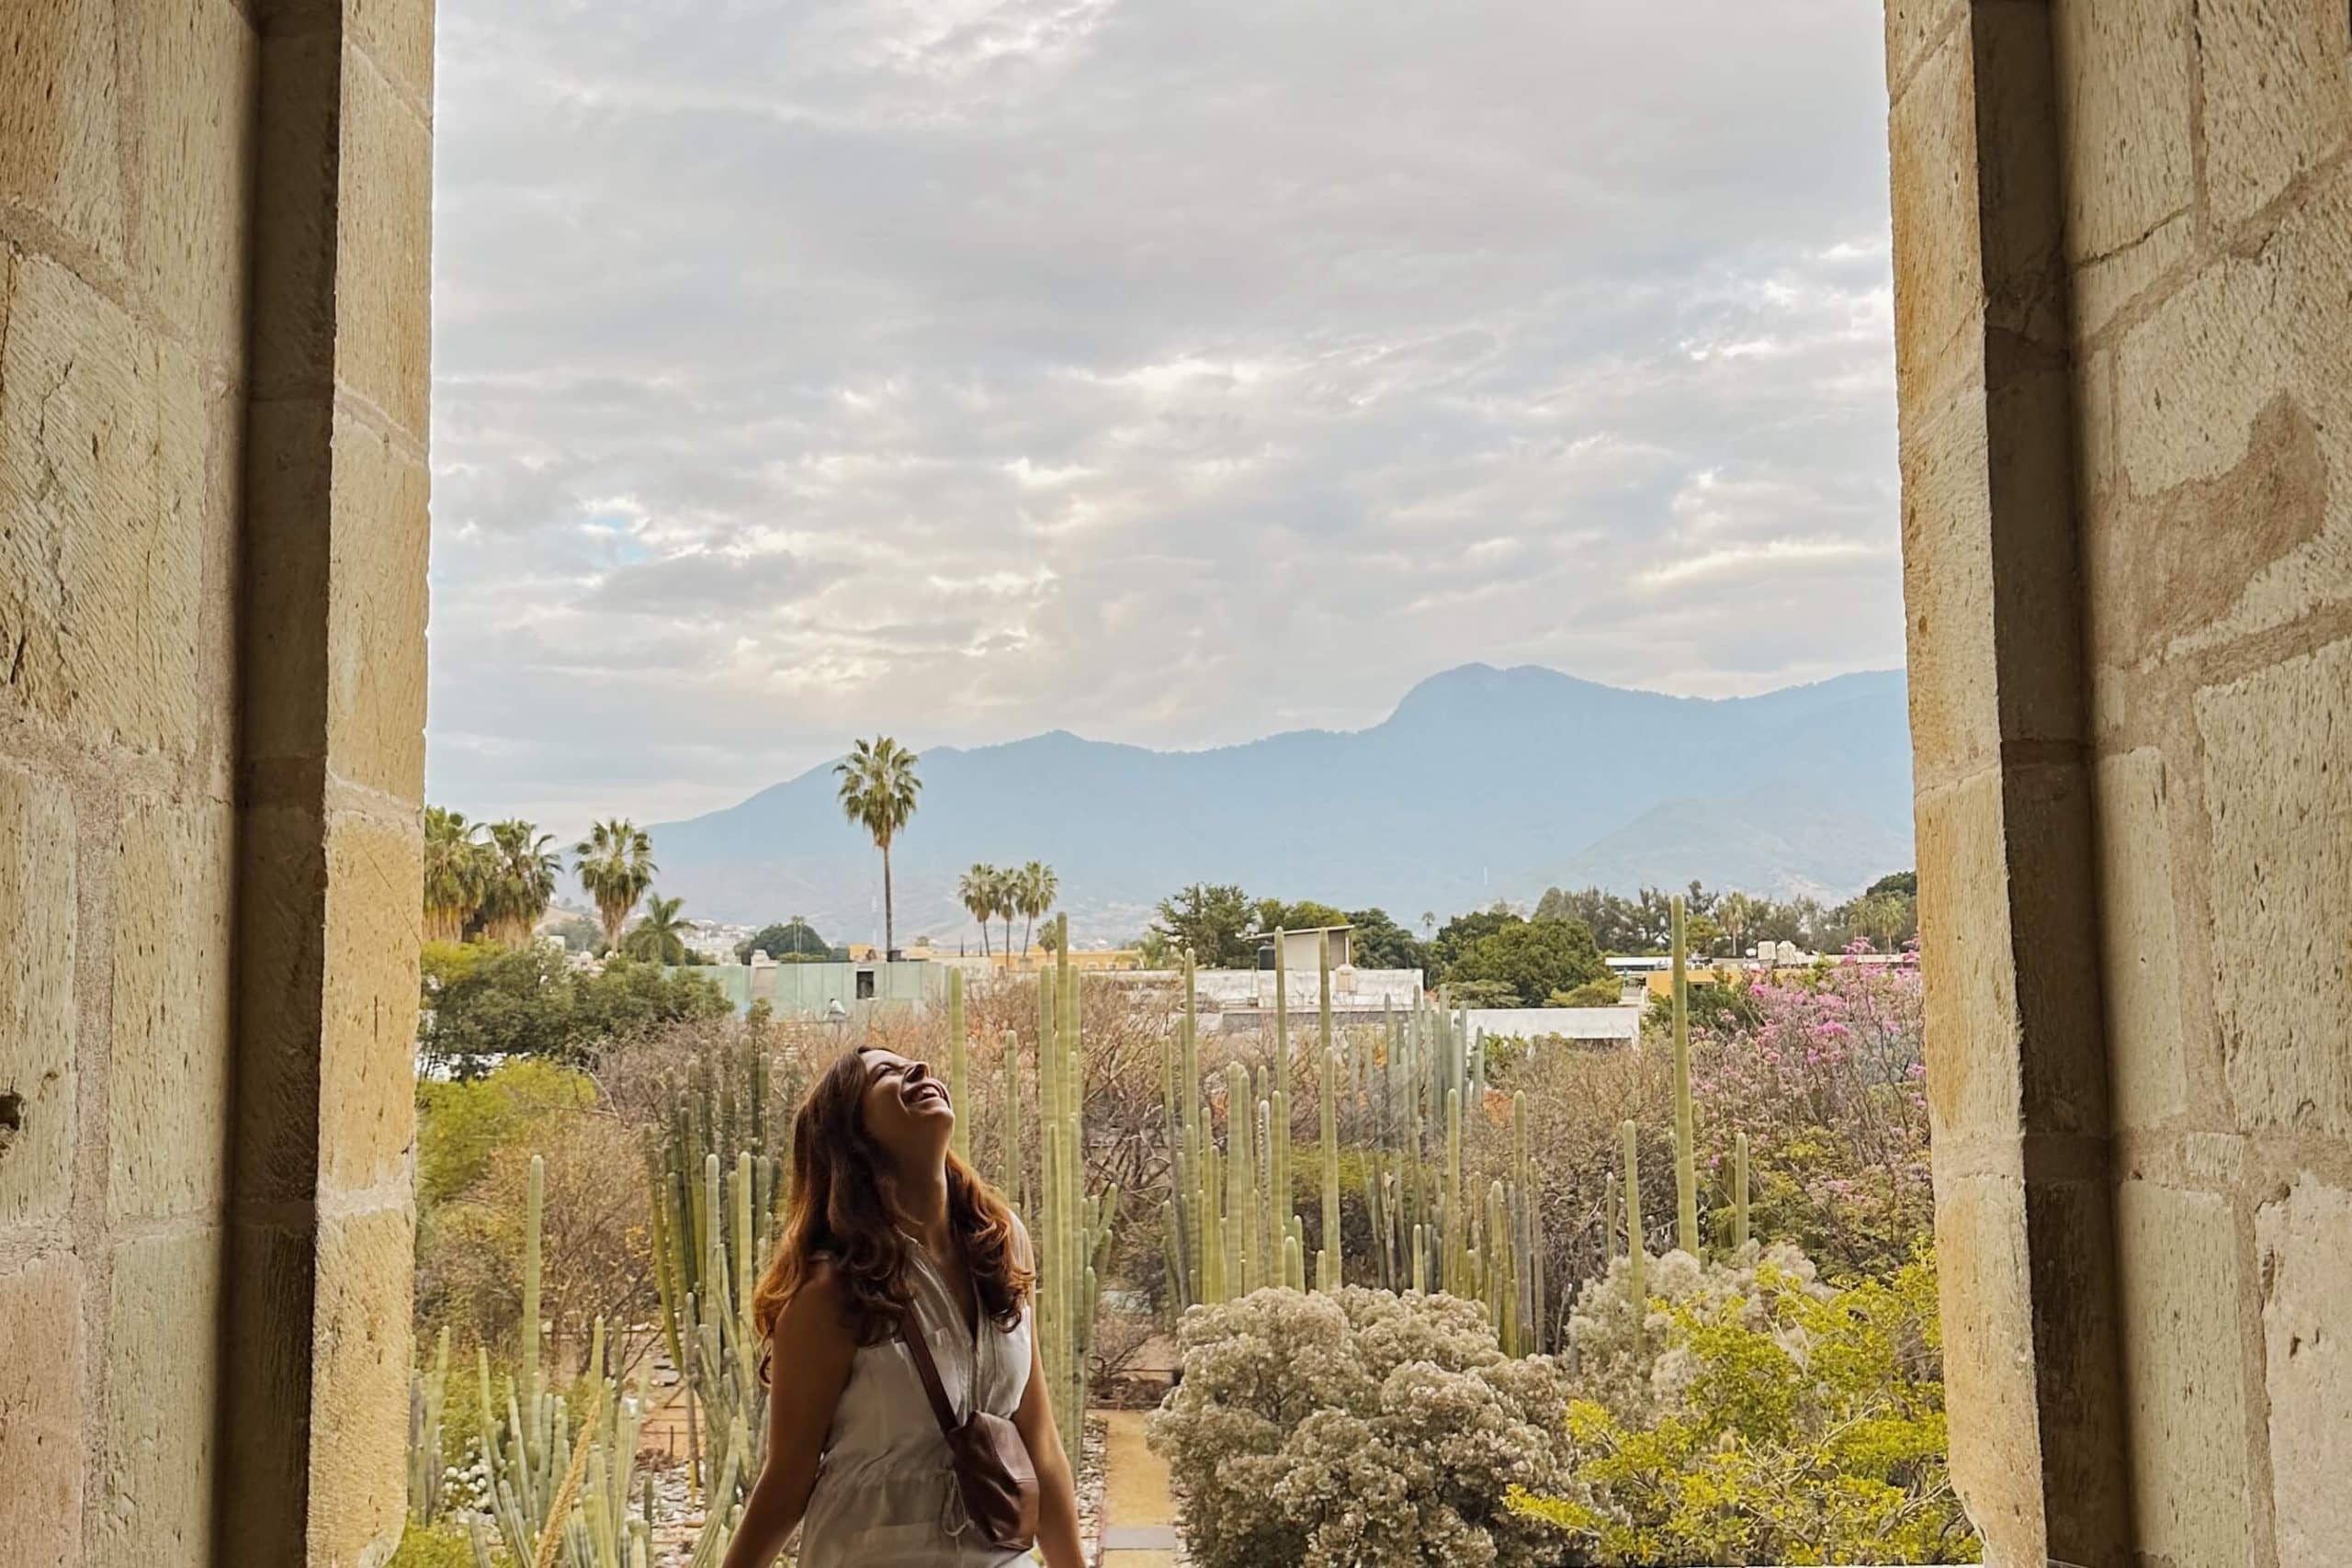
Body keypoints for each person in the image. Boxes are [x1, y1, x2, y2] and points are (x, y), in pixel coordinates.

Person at [720, 1045, 1086, 1568]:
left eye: (915, 1063)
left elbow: (1039, 1439)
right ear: (854, 1137)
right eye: (886, 1075)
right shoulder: (828, 1293)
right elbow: (787, 1480)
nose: (919, 1070)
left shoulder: (1001, 1243)